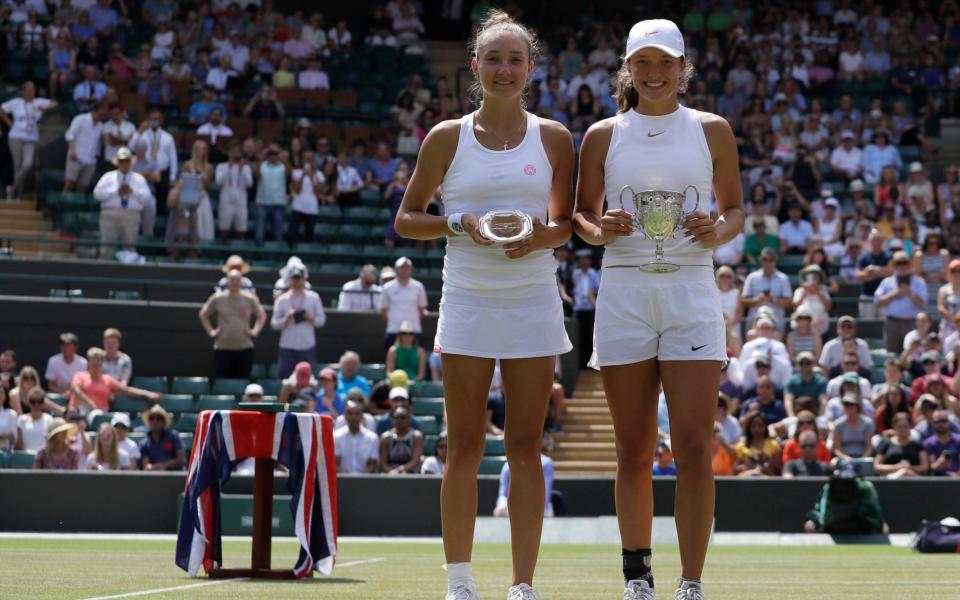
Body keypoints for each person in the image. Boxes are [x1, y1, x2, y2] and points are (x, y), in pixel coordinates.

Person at [393, 11, 575, 600]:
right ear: (475, 67)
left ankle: (522, 585)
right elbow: (407, 219)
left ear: (530, 68)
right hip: (468, 302)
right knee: (465, 445)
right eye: (493, 59)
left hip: (532, 304)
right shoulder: (446, 137)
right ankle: (461, 582)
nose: (504, 69)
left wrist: (538, 237)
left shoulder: (554, 137)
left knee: (526, 447)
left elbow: (565, 224)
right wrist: (458, 223)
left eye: (514, 59)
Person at [571, 18, 744, 600]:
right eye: (642, 63)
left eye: (665, 62)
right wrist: (600, 230)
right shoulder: (601, 134)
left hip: (692, 295)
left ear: (683, 70)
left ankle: (691, 581)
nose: (654, 73)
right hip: (623, 297)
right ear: (628, 70)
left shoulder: (712, 129)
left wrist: (716, 229)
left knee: (696, 446)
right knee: (634, 449)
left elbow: (737, 210)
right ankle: (637, 575)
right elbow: (581, 217)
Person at [199, 269, 267, 378]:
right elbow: (203, 314)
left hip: (245, 348)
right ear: (227, 281)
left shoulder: (249, 298)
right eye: (232, 279)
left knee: (242, 382)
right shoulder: (217, 298)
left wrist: (255, 331)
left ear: (241, 282)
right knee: (223, 382)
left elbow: (262, 315)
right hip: (222, 348)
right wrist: (211, 331)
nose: (234, 282)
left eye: (237, 280)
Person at [93, 146, 154, 257]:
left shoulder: (139, 179)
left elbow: (147, 198)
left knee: (130, 249)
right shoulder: (108, 177)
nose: (125, 164)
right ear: (118, 162)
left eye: (127, 161)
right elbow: (97, 194)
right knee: (106, 248)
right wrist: (115, 192)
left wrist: (132, 191)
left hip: (131, 215)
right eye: (122, 161)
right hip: (110, 214)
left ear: (131, 162)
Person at [0, 81, 57, 199]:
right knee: (17, 165)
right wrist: (9, 123)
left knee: (28, 164)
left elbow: (55, 103)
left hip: (31, 138)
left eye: (33, 90)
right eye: (29, 90)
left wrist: (45, 108)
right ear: (24, 91)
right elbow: (1, 109)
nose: (32, 92)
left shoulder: (38, 102)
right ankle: (16, 195)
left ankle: (13, 187)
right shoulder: (16, 102)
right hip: (15, 136)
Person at [68, 347, 161, 418]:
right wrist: (91, 404)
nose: (96, 362)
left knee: (98, 416)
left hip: (99, 415)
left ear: (102, 362)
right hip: (79, 411)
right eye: (93, 359)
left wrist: (148, 394)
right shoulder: (79, 375)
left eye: (98, 359)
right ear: (89, 361)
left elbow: (126, 390)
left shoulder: (107, 379)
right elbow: (76, 390)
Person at [270, 264, 326, 378]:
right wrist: (286, 318)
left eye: (299, 278)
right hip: (287, 347)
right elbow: (274, 324)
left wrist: (312, 318)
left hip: (307, 347)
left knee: (309, 381)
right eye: (294, 278)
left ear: (304, 279)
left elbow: (322, 320)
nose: (296, 281)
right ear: (289, 280)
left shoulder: (314, 297)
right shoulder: (282, 300)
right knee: (285, 380)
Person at [874, 250, 928, 353]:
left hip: (912, 324)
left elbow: (923, 302)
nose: (902, 266)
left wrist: (910, 293)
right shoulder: (887, 282)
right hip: (892, 324)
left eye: (905, 263)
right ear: (894, 266)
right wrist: (896, 293)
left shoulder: (919, 282)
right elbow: (877, 302)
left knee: (913, 355)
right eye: (898, 263)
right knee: (892, 354)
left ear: (910, 264)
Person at [380, 257, 428, 350]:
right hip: (393, 330)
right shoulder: (387, 287)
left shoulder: (418, 286)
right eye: (402, 267)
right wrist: (394, 322)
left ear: (411, 269)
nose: (404, 270)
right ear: (396, 269)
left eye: (407, 267)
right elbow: (384, 310)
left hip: (414, 330)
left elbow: (421, 309)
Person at [742, 247, 793, 332]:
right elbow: (744, 301)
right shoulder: (751, 277)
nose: (768, 262)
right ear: (760, 260)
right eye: (765, 259)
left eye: (771, 259)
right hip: (755, 322)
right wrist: (759, 299)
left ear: (775, 260)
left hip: (777, 323)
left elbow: (789, 303)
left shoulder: (783, 278)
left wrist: (773, 299)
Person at [63, 102, 106, 193]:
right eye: (100, 115)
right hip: (76, 156)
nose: (101, 117)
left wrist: (95, 156)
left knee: (82, 187)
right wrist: (73, 151)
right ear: (94, 112)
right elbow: (69, 135)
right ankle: (62, 206)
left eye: (103, 116)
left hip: (90, 160)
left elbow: (97, 143)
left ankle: (77, 207)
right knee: (69, 184)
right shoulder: (80, 119)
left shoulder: (101, 126)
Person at [214, 141, 253, 241]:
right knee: (224, 228)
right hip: (226, 200)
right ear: (229, 152)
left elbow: (249, 183)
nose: (235, 154)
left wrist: (241, 169)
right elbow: (218, 181)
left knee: (241, 229)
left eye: (237, 152)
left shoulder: (246, 167)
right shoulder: (221, 166)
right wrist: (229, 168)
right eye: (233, 151)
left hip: (241, 201)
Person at [873, 412, 929, 478]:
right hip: (890, 480)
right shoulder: (885, 443)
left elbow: (925, 467)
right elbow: (877, 467)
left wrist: (909, 468)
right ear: (894, 427)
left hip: (914, 480)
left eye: (905, 426)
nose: (902, 429)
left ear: (910, 426)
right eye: (899, 427)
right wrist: (897, 467)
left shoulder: (918, 444)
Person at [255, 144, 291, 244]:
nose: (272, 155)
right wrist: (261, 159)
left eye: (275, 153)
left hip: (278, 203)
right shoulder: (262, 165)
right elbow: (256, 175)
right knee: (259, 234)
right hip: (263, 202)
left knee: (278, 234)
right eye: (270, 153)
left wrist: (283, 159)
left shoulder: (283, 166)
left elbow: (290, 173)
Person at [571, 248, 601, 368]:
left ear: (589, 261)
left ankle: (590, 364)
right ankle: (580, 364)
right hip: (578, 309)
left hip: (590, 308)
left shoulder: (593, 273)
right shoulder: (575, 273)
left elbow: (598, 288)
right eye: (581, 260)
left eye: (586, 259)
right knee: (578, 336)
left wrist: (592, 295)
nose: (584, 262)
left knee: (590, 337)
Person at [333, 398, 379, 473]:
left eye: (357, 413)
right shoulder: (336, 436)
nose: (353, 417)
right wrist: (348, 480)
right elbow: (336, 463)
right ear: (345, 416)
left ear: (362, 416)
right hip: (342, 481)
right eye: (350, 413)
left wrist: (358, 481)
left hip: (365, 482)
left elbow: (372, 464)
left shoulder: (372, 438)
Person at [855, 229, 892, 320]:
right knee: (868, 325)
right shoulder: (863, 257)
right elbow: (859, 276)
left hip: (884, 297)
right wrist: (880, 273)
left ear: (882, 241)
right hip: (867, 296)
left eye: (879, 239)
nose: (876, 242)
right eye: (874, 239)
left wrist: (873, 270)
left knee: (884, 324)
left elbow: (890, 272)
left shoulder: (888, 256)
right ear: (870, 241)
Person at [379, 404, 424, 474]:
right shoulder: (385, 437)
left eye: (402, 418)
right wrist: (392, 472)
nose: (399, 420)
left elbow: (415, 460)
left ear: (409, 419)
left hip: (411, 474)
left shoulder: (417, 436)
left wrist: (401, 470)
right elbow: (383, 464)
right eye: (396, 417)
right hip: (389, 474)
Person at [139, 405, 185, 471]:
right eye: (152, 418)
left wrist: (163, 465)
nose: (155, 421)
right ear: (148, 421)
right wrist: (152, 467)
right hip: (154, 477)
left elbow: (182, 459)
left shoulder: (173, 436)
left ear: (164, 422)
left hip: (174, 476)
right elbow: (146, 465)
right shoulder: (144, 443)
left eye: (159, 418)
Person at [784, 352, 827, 417]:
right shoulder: (791, 381)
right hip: (797, 415)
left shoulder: (821, 381)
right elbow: (788, 401)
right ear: (797, 365)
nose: (805, 366)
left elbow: (823, 401)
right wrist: (791, 417)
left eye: (808, 363)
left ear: (813, 364)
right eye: (801, 363)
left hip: (815, 414)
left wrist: (820, 417)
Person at [923, 409, 960, 477]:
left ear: (949, 422)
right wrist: (939, 463)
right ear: (933, 423)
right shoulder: (928, 443)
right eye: (937, 421)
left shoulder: (958, 440)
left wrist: (956, 476)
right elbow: (929, 467)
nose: (941, 424)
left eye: (943, 421)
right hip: (936, 482)